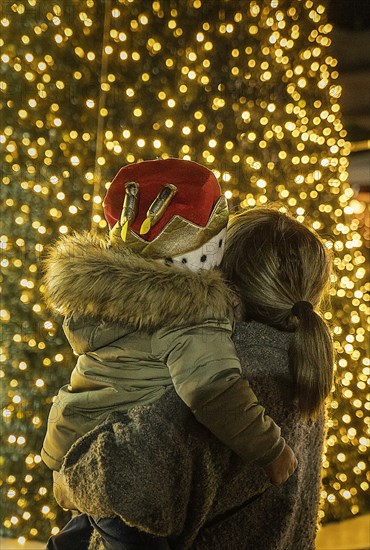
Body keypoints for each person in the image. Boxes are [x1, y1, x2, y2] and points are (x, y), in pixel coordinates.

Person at [42, 159, 296, 549]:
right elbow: (217, 392)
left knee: (82, 533)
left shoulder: (105, 297)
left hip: (72, 438)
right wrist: (272, 450)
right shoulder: (190, 315)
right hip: (121, 470)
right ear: (210, 248)